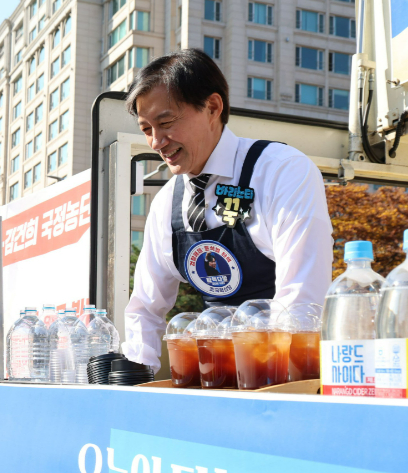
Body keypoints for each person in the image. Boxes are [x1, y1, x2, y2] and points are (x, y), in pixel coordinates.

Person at [121, 49, 333, 373]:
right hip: (213, 378)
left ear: (212, 107)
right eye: (146, 129)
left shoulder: (281, 171)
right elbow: (145, 307)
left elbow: (302, 298)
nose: (156, 142)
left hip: (286, 373)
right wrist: (136, 373)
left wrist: (276, 381)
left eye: (165, 123)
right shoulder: (166, 202)